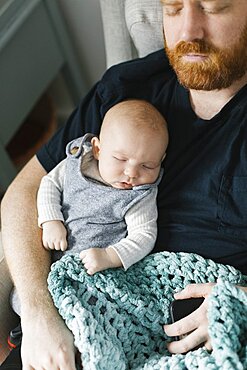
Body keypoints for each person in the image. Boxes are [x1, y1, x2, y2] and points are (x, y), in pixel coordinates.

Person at [1, 0, 247, 368]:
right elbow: (25, 191)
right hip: (76, 318)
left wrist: (242, 300)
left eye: (213, 8)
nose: (188, 32)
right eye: (174, 8)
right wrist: (39, 317)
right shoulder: (127, 90)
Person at [37, 100, 168, 275]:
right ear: (98, 149)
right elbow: (50, 183)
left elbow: (144, 235)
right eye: (121, 159)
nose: (131, 173)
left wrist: (109, 256)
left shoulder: (139, 196)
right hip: (50, 256)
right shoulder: (78, 161)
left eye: (148, 166)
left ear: (161, 161)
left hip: (97, 270)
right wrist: (51, 220)